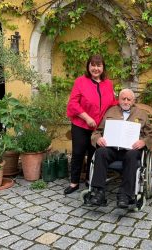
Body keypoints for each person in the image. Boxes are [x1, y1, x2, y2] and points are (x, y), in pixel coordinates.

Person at [90, 89, 152, 208]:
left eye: (128, 99)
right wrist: (98, 139)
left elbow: (150, 135)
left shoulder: (141, 114)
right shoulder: (110, 111)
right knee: (100, 152)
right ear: (118, 100)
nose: (125, 101)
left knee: (131, 155)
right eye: (123, 99)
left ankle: (125, 194)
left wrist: (143, 142)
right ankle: (99, 192)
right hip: (112, 148)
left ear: (133, 100)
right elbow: (97, 132)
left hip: (131, 150)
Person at [64, 54, 116, 195]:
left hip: (98, 128)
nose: (96, 68)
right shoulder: (80, 82)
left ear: (103, 67)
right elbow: (73, 104)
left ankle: (90, 180)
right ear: (88, 66)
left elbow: (112, 103)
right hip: (81, 125)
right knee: (78, 153)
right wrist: (86, 117)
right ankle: (74, 183)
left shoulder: (108, 84)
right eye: (93, 65)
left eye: (99, 65)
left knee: (94, 154)